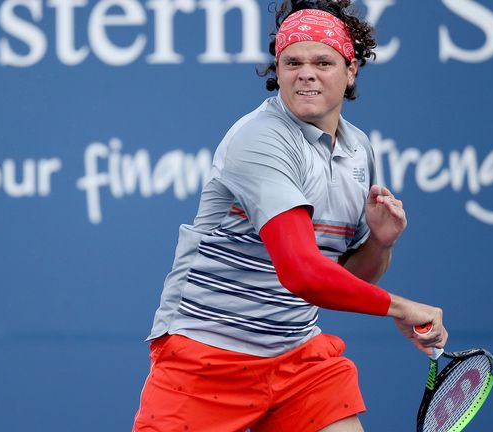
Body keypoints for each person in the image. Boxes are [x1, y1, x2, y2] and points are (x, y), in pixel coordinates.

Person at [133, 1, 447, 430]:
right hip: (204, 358)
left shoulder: (359, 151)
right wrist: (400, 308)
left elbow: (346, 279)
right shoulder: (260, 139)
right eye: (292, 61)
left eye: (323, 61)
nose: (307, 73)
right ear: (277, 71)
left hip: (297, 360)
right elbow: (302, 273)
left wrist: (379, 242)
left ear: (351, 70)